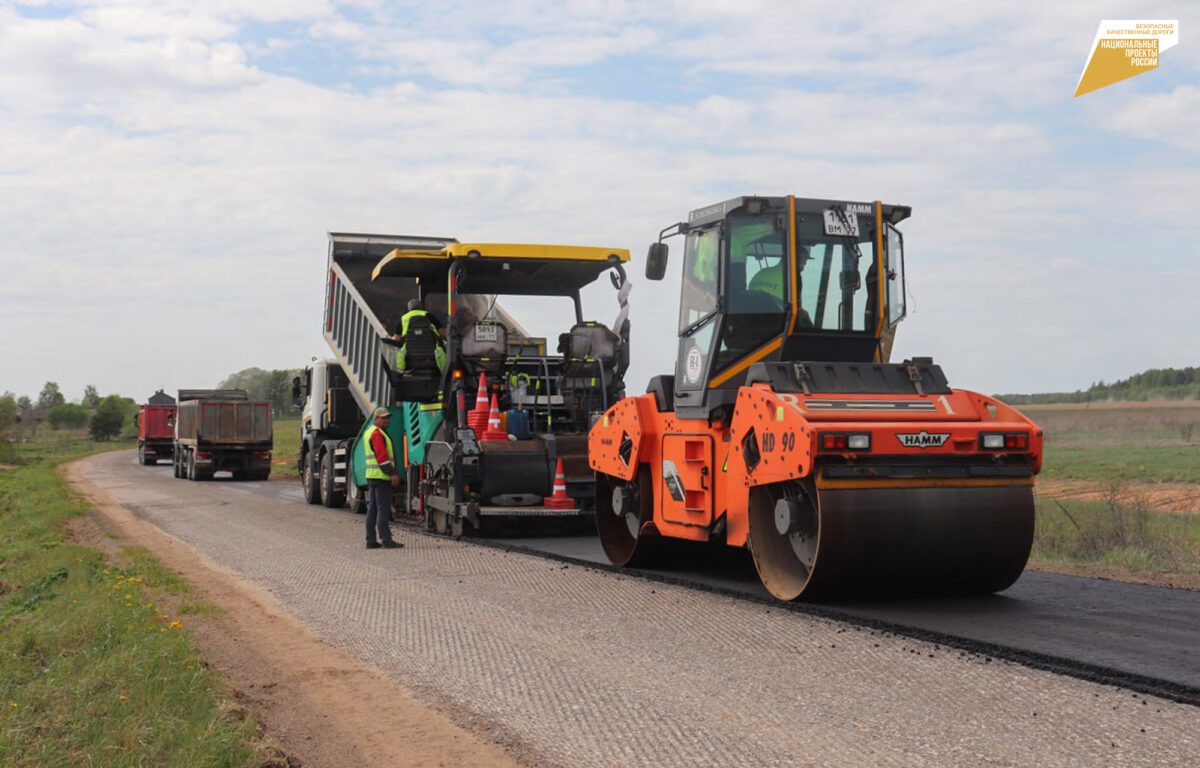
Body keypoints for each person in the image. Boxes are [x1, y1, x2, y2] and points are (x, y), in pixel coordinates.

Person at [363, 406, 403, 549]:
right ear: (376, 418)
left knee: (373, 509)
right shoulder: (377, 434)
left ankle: (371, 540)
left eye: (388, 418)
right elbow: (382, 458)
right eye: (384, 418)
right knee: (383, 509)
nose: (387, 421)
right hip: (381, 477)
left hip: (372, 477)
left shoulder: (369, 432)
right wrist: (392, 473)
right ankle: (386, 539)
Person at [747, 245, 813, 327]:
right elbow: (797, 310)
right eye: (802, 259)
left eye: (805, 260)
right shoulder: (793, 277)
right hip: (776, 323)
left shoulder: (761, 273)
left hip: (750, 321)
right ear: (792, 258)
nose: (804, 264)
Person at [393, 299, 446, 371]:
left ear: (409, 309)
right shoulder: (429, 316)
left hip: (409, 359)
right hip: (433, 359)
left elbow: (396, 340)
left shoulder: (403, 319)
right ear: (421, 307)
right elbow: (443, 334)